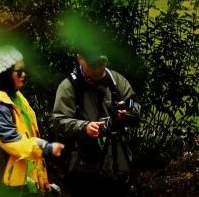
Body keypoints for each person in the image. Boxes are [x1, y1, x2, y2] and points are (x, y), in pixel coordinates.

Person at [51, 52, 138, 197]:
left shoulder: (115, 80)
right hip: (85, 167)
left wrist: (127, 112)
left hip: (118, 162)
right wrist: (84, 126)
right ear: (80, 59)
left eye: (101, 63)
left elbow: (135, 106)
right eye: (93, 64)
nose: (98, 68)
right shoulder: (69, 87)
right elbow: (59, 121)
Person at [0, 46, 64, 189]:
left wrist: (41, 180)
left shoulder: (15, 96)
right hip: (2, 186)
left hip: (23, 183)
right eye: (18, 71)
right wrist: (45, 147)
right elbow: (13, 142)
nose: (24, 74)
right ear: (4, 73)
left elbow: (29, 135)